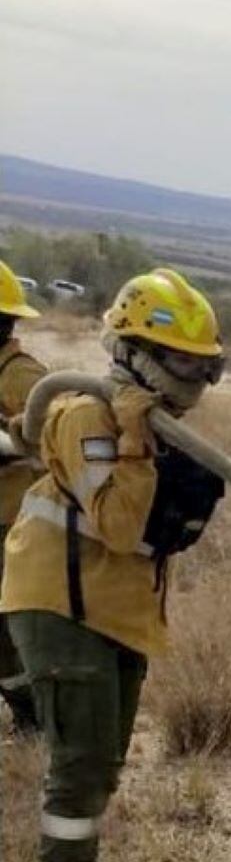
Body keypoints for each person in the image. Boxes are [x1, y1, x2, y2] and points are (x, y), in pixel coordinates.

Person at [1, 268, 228, 862]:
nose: (195, 379)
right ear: (136, 353)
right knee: (77, 767)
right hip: (62, 608)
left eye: (204, 365)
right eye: (183, 362)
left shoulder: (147, 423)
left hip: (113, 612)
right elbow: (121, 526)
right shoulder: (84, 416)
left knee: (101, 766)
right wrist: (131, 435)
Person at [0, 259, 49, 731]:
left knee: (7, 637)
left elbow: (56, 445)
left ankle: (33, 721)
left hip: (11, 524)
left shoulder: (22, 378)